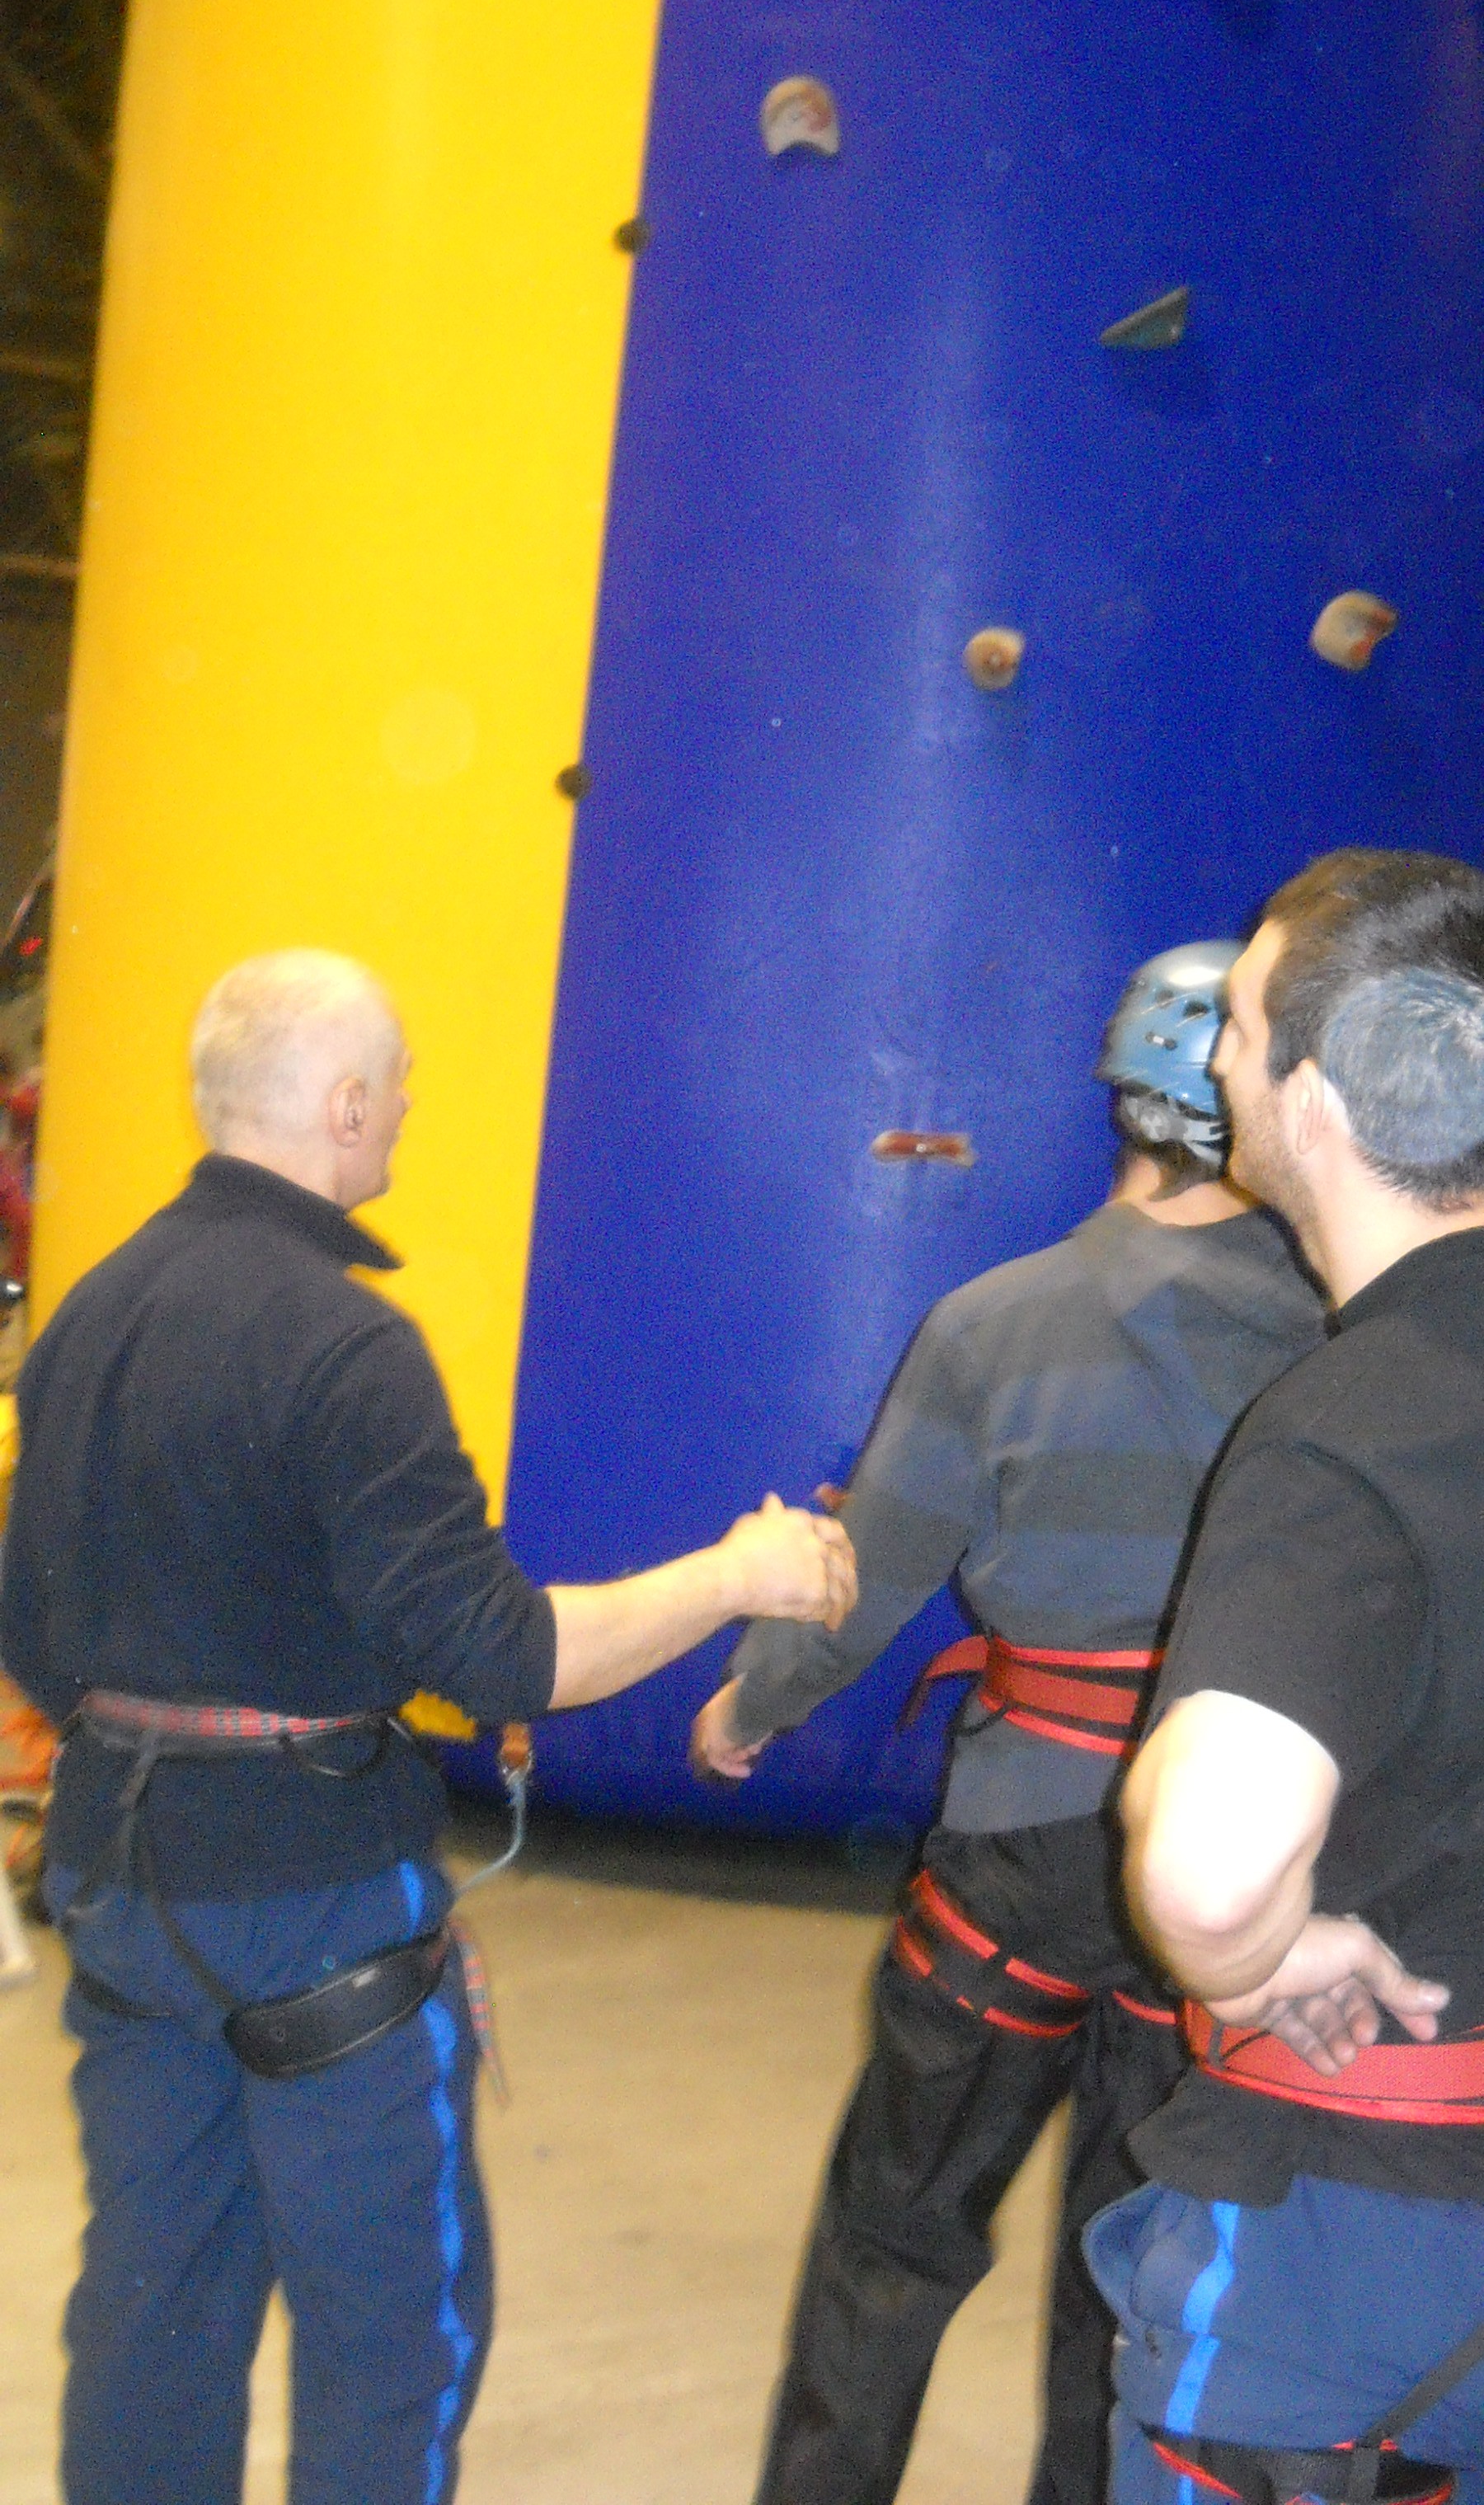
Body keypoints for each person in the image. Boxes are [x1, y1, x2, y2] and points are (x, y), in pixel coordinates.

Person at [0, 947, 855, 2505]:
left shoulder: (89, 1315)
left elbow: (31, 1630)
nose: (404, 1109)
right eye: (394, 1087)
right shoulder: (343, 1347)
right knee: (391, 2335)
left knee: (151, 2316)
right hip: (316, 1911)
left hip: (118, 1890)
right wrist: (740, 1575)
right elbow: (505, 1660)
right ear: (343, 1106)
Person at [690, 942, 1326, 2505]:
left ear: (1115, 1096)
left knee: (891, 2244)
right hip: (1224, 1870)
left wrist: (748, 1709)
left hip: (1017, 1870)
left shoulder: (994, 1325)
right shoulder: (1334, 1340)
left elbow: (871, 1575)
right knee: (1133, 2268)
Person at [1089, 849, 1484, 2505]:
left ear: (1313, 1104)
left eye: (1243, 1029)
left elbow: (1213, 1863)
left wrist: (1248, 1955)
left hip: (1358, 2255)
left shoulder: (1348, 1429)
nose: (1224, 1064)